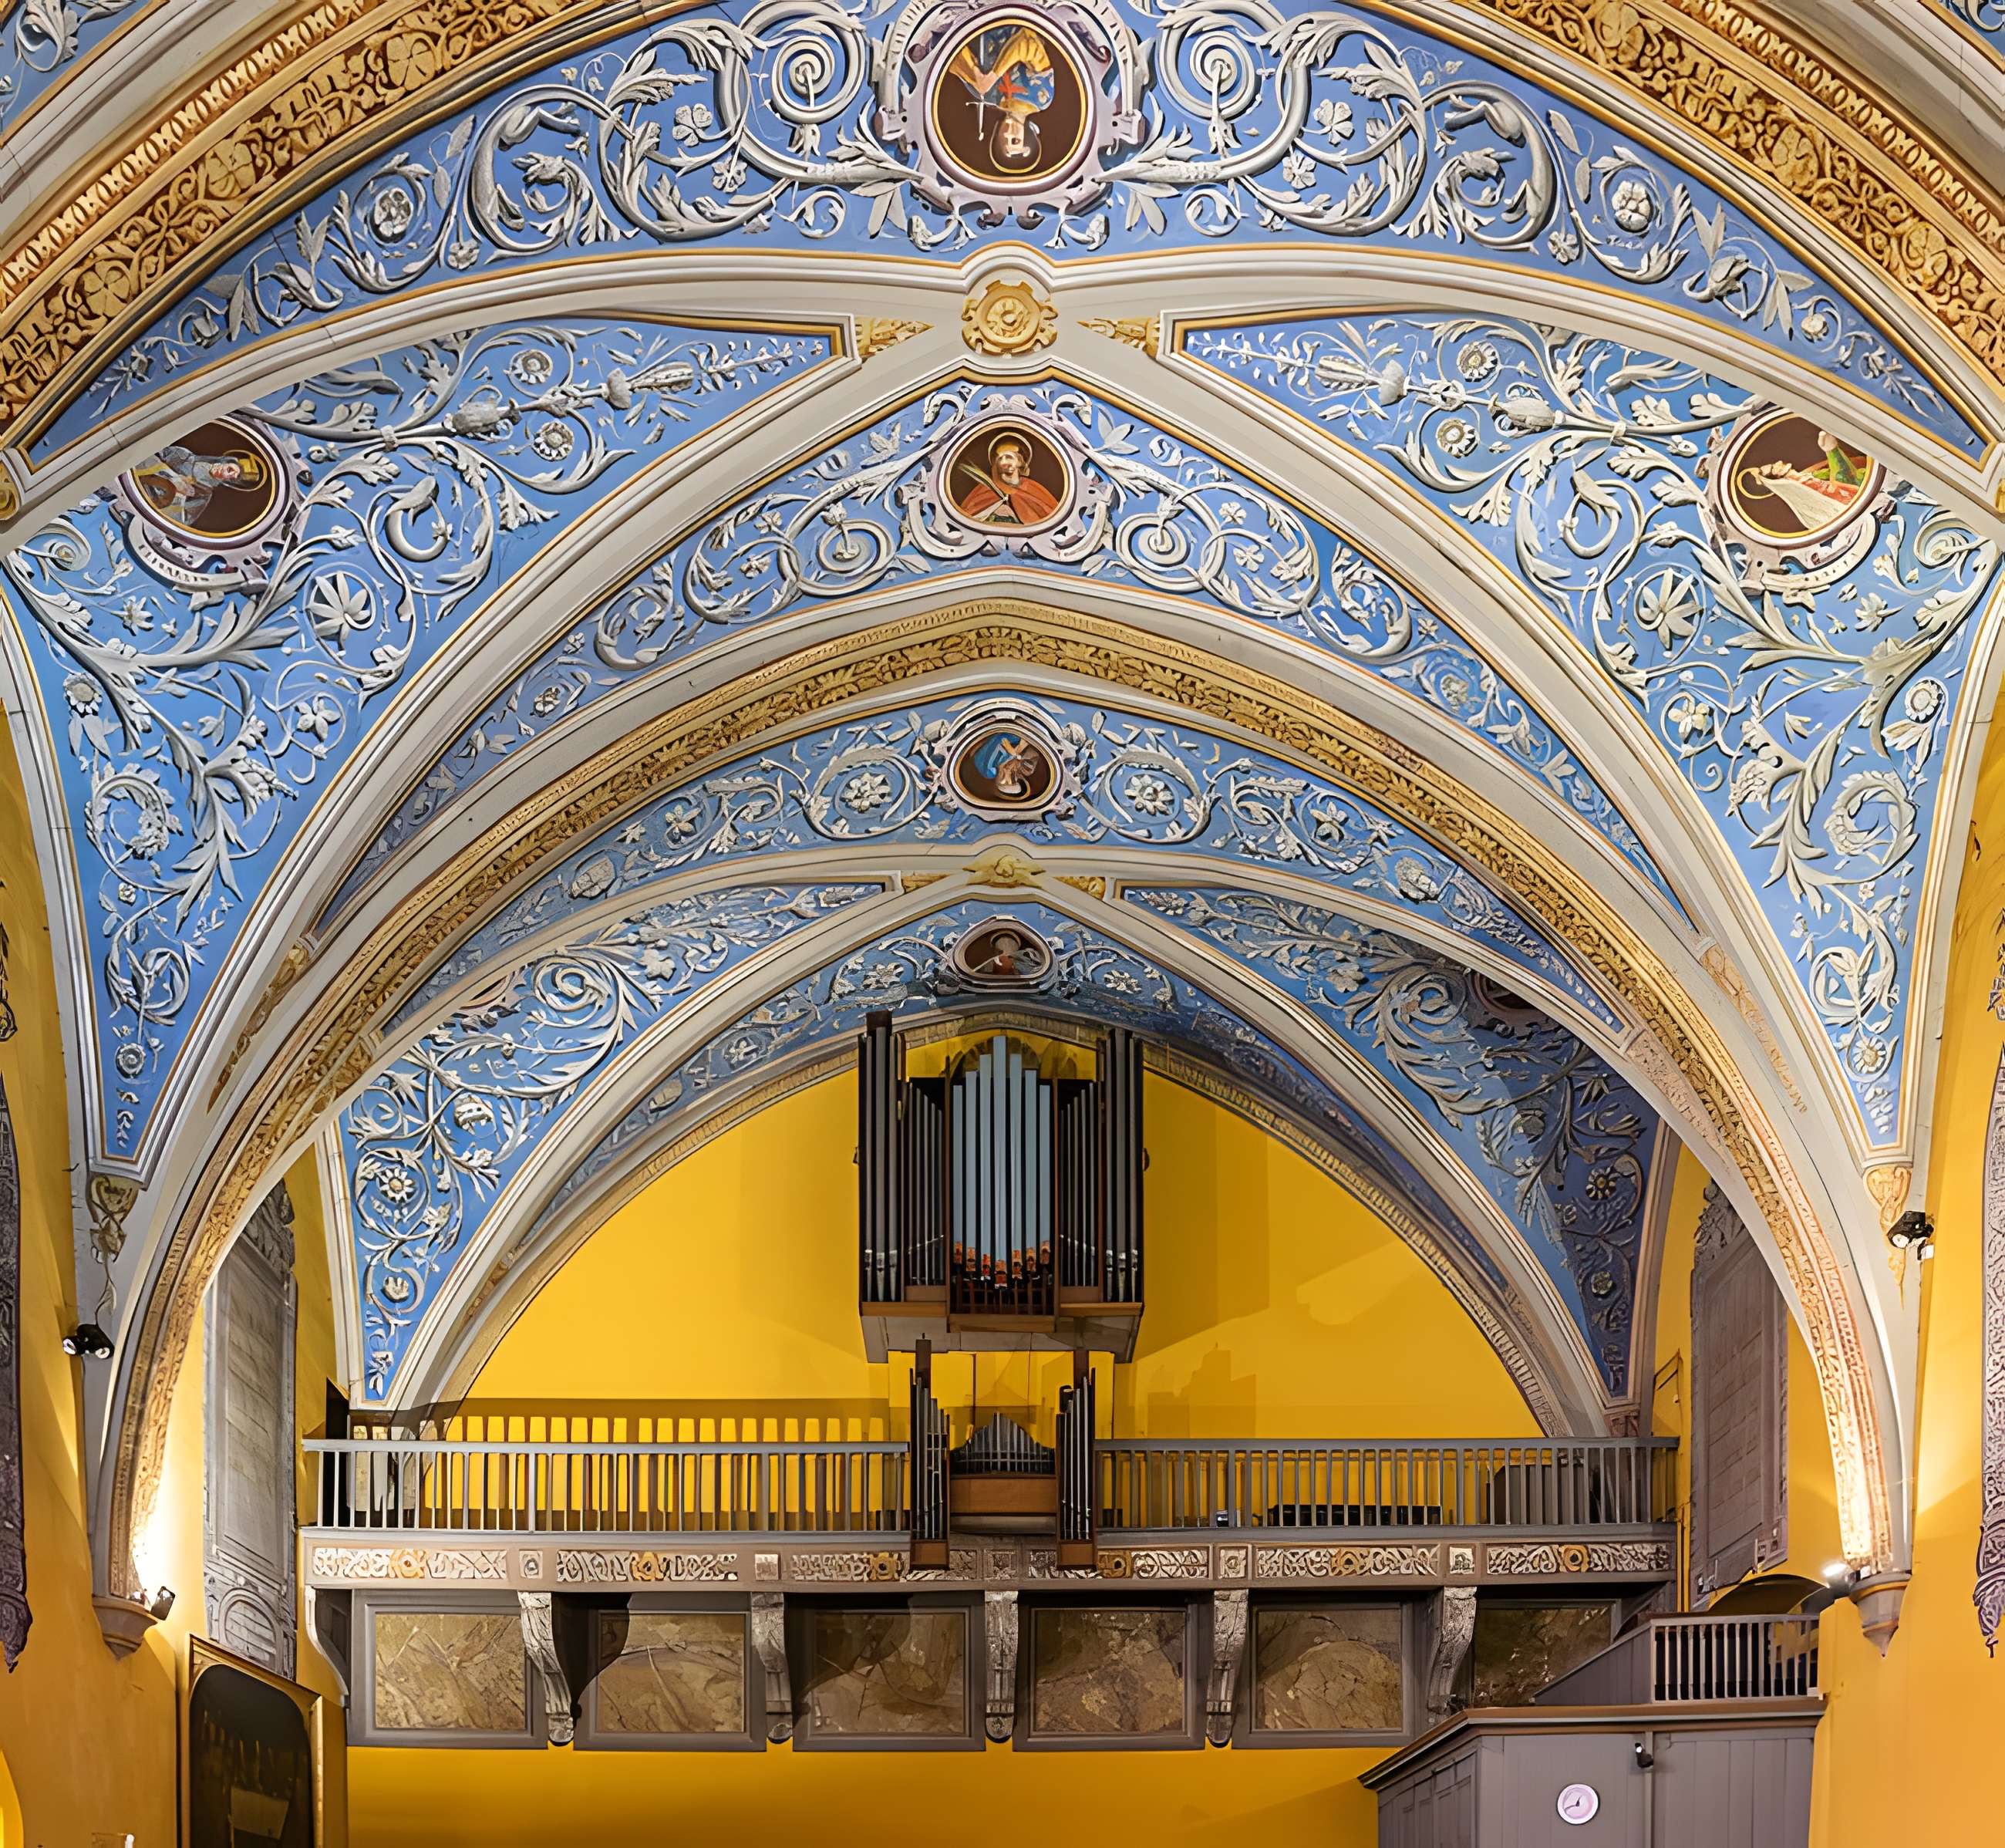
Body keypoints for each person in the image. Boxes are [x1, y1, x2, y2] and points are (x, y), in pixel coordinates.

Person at [948, 22, 1056, 171]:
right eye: (1015, 140)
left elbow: (952, 56)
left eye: (1003, 140)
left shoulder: (989, 97)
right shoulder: (1042, 97)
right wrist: (993, 76)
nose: (1008, 134)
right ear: (1029, 136)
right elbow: (1027, 39)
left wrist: (973, 73)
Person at [1738, 428, 1869, 531]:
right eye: (1773, 468)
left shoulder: (1810, 474)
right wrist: (1832, 451)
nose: (1778, 463)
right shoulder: (1805, 494)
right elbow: (1841, 488)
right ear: (1775, 480)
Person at [133, 440, 265, 529]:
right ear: (226, 461)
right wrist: (173, 479)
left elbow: (177, 523)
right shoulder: (183, 455)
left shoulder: (202, 495)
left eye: (231, 479)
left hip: (140, 507)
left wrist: (179, 496)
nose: (226, 474)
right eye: (230, 469)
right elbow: (142, 456)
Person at [955, 434, 1060, 525]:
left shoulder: (1034, 490)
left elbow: (1052, 519)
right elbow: (966, 519)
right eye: (1000, 459)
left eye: (1009, 457)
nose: (1004, 463)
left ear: (1020, 462)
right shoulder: (984, 490)